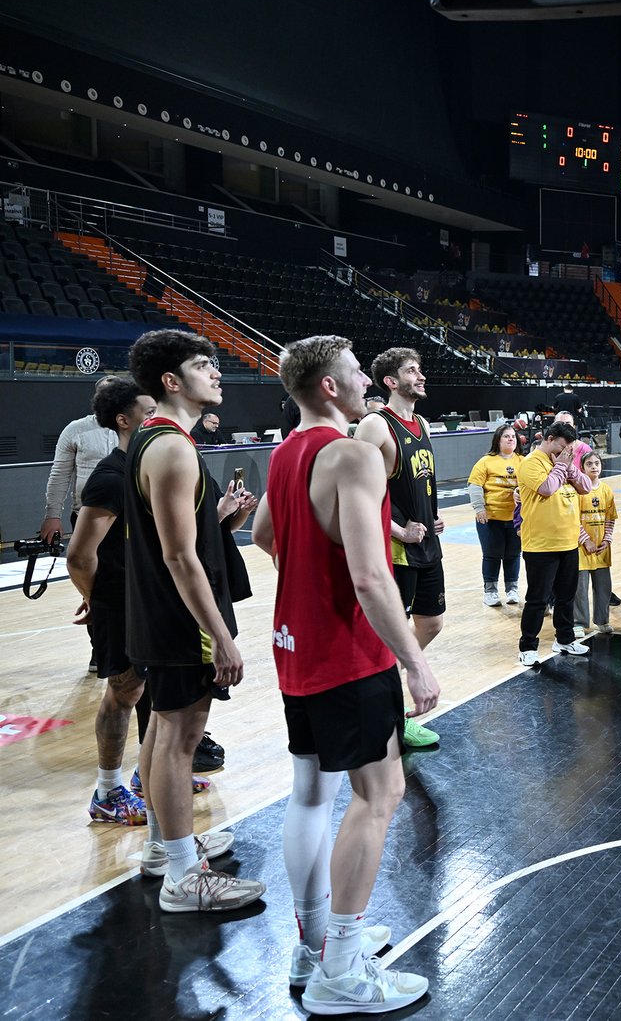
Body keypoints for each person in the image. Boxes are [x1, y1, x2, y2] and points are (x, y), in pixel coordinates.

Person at [250, 335, 438, 1011]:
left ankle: (316, 944)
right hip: (348, 654)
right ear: (330, 386)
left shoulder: (285, 453)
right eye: (357, 372)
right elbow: (370, 576)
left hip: (294, 647)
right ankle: (343, 971)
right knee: (379, 795)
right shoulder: (353, 453)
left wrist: (306, 572)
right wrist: (415, 661)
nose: (365, 381)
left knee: (310, 796)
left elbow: (264, 536)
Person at [124, 329, 263, 912]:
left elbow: (181, 538)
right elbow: (180, 558)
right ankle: (184, 876)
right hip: (181, 621)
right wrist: (221, 635)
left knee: (161, 733)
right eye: (204, 364)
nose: (217, 372)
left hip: (158, 615)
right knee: (180, 739)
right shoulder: (174, 448)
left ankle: (164, 848)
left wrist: (220, 518)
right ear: (171, 381)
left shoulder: (154, 438)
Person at [66, 380, 157, 827]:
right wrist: (94, 597)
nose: (157, 417)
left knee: (151, 689)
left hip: (147, 599)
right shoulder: (110, 477)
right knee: (124, 691)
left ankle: (148, 776)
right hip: (119, 602)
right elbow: (79, 556)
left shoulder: (144, 470)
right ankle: (106, 792)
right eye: (149, 411)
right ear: (124, 420)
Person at [355, 348, 445, 749]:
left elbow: (421, 482)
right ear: (391, 381)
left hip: (427, 543)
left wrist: (432, 517)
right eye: (412, 370)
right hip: (397, 550)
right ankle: (387, 710)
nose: (421, 376)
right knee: (392, 630)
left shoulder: (422, 423)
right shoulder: (375, 426)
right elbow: (357, 494)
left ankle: (383, 677)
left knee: (432, 623)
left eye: (420, 369)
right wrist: (397, 531)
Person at [515, 420, 592, 667]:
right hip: (541, 544)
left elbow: (587, 487)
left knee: (566, 596)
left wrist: (571, 470)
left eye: (569, 449)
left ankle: (565, 639)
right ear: (549, 439)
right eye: (561, 447)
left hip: (568, 541)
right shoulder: (531, 463)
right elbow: (547, 488)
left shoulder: (564, 462)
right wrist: (561, 467)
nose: (565, 453)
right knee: (538, 599)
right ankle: (528, 646)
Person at [39, 376, 118, 544]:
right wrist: (52, 516)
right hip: (85, 517)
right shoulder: (74, 430)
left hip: (127, 517)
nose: (110, 399)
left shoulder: (137, 429)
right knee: (84, 561)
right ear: (95, 399)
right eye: (104, 394)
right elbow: (59, 475)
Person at [468, 423, 523, 608]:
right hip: (490, 518)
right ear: (498, 440)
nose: (511, 439)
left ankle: (512, 590)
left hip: (516, 519)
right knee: (491, 555)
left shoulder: (523, 461)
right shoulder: (486, 461)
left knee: (513, 555)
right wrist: (479, 508)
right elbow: (475, 485)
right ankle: (490, 591)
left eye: (513, 436)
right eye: (506, 436)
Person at [575, 450, 617, 636]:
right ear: (582, 467)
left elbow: (610, 518)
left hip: (601, 548)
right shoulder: (577, 490)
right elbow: (573, 519)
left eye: (597, 463)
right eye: (589, 464)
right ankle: (579, 623)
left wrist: (607, 539)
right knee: (580, 589)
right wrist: (585, 540)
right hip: (581, 548)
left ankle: (602, 620)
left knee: (603, 587)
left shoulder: (606, 490)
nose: (594, 467)